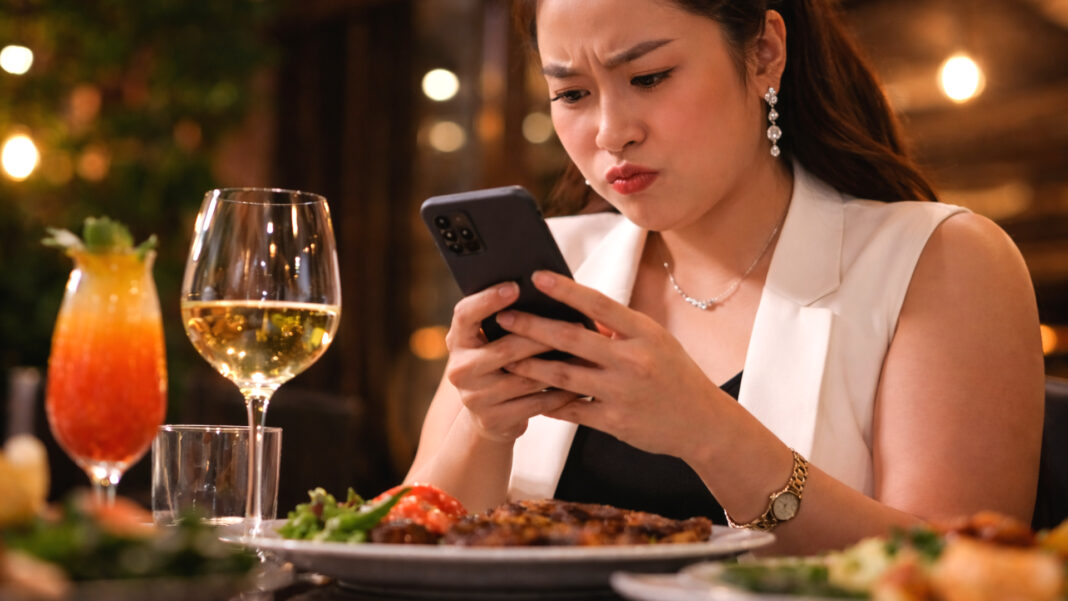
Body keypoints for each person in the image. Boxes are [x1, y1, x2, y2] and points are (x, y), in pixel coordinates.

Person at [406, 0, 1044, 554]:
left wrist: (711, 434)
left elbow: (961, 571)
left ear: (765, 52)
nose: (611, 133)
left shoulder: (940, 260)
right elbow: (407, 543)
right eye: (572, 94)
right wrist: (483, 429)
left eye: (649, 77)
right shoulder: (555, 268)